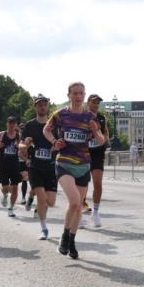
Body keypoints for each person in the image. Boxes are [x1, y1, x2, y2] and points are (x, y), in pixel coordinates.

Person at [44, 82, 105, 259]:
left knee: (78, 207)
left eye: (81, 93)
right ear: (69, 95)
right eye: (75, 93)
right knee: (75, 201)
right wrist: (54, 142)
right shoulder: (60, 114)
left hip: (83, 165)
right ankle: (64, 238)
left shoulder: (89, 117)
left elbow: (101, 141)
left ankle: (71, 241)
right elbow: (46, 130)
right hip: (64, 163)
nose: (78, 97)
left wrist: (96, 132)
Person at [21, 95, 58, 240]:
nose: (42, 107)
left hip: (51, 167)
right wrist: (26, 144)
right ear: (35, 107)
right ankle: (44, 229)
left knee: (51, 202)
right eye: (39, 105)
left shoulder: (55, 125)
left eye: (44, 104)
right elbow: (21, 146)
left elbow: (61, 142)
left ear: (48, 106)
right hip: (35, 167)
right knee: (42, 199)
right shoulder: (30, 126)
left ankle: (31, 198)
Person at [82, 94, 109, 227]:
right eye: (93, 102)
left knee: (98, 184)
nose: (96, 104)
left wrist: (106, 140)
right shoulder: (82, 117)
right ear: (88, 103)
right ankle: (79, 212)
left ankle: (96, 212)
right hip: (84, 153)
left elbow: (105, 133)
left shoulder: (102, 118)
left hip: (98, 153)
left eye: (98, 102)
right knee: (83, 185)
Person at [0, 117, 23, 217]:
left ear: (15, 125)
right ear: (7, 124)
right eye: (10, 123)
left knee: (15, 188)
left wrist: (21, 149)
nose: (11, 125)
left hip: (15, 163)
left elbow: (21, 149)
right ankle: (5, 195)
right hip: (4, 164)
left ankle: (11, 208)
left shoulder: (18, 136)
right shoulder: (1, 134)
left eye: (13, 123)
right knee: (5, 187)